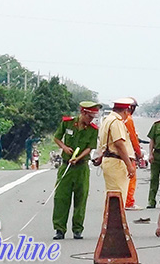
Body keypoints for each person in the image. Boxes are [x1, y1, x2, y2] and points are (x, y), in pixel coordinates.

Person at [51, 101, 102, 240]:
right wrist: (64, 148)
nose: (91, 119)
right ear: (83, 113)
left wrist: (78, 157)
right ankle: (59, 229)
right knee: (61, 197)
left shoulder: (93, 129)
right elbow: (56, 137)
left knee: (81, 198)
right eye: (90, 116)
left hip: (81, 168)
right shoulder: (68, 123)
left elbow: (89, 148)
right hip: (66, 166)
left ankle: (77, 229)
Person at [94, 98, 136, 197]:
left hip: (110, 161)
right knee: (118, 197)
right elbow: (119, 144)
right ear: (126, 111)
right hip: (116, 162)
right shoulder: (116, 121)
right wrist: (129, 165)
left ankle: (111, 213)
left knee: (112, 196)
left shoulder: (107, 120)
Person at [123, 98, 143, 210]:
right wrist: (139, 153)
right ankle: (129, 202)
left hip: (117, 154)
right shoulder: (128, 119)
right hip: (128, 153)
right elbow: (133, 138)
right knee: (131, 177)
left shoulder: (117, 119)